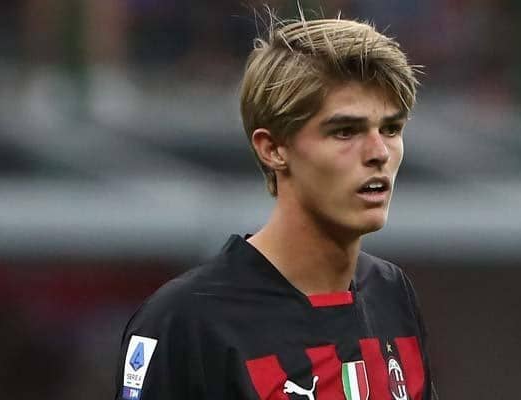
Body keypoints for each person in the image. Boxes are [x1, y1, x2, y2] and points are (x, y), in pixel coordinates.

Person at [114, 13, 437, 400]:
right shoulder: (186, 320)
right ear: (273, 149)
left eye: (391, 129)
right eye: (345, 131)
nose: (379, 152)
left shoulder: (392, 293)